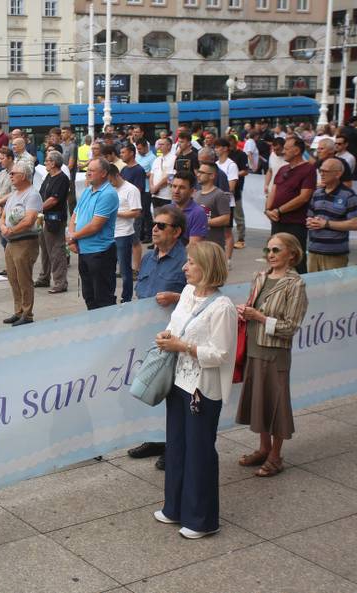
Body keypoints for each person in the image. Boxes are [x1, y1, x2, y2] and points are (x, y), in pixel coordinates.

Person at [153, 241, 237, 539]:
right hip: (177, 382)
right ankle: (174, 507)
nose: (184, 267)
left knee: (199, 451)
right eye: (186, 261)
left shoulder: (223, 307)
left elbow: (223, 353)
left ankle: (202, 519)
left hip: (202, 388)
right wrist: (168, 335)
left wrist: (183, 346)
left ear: (208, 267)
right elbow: (177, 325)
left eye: (191, 262)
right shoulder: (187, 293)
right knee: (176, 445)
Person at [235, 233, 308, 477]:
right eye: (268, 250)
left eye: (276, 250)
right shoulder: (260, 277)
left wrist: (260, 318)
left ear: (292, 254)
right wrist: (245, 312)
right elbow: (252, 308)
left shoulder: (295, 284)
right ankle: (264, 448)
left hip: (275, 353)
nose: (271, 255)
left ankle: (276, 456)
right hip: (254, 348)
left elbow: (291, 327)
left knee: (275, 405)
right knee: (259, 401)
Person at [131, 204, 189, 469]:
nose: (154, 229)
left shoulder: (188, 260)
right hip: (147, 335)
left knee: (174, 393)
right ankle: (155, 438)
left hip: (175, 339)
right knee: (151, 387)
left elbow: (204, 296)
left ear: (176, 232)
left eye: (161, 225)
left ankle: (174, 446)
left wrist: (176, 297)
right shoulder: (148, 257)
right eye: (154, 224)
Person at [68, 158, 119, 310]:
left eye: (92, 170)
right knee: (89, 295)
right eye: (87, 169)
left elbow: (95, 226)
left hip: (100, 253)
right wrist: (72, 238)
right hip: (84, 251)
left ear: (103, 173)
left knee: (103, 298)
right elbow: (74, 216)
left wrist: (73, 236)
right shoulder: (87, 191)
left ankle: (107, 330)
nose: (87, 173)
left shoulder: (108, 194)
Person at [0, 161, 42, 325]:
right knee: (13, 278)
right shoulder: (14, 194)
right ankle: (18, 310)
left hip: (25, 241)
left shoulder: (32, 195)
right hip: (11, 241)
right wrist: (3, 226)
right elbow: (3, 216)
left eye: (13, 174)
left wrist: (11, 230)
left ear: (23, 176)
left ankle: (27, 313)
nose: (10, 176)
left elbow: (30, 219)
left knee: (24, 278)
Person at [267, 136, 317, 274]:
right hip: (277, 221)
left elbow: (304, 197)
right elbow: (273, 191)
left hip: (295, 223)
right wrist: (268, 210)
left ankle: (301, 288)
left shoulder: (308, 169)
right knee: (275, 255)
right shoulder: (283, 169)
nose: (283, 152)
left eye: (287, 149)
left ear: (296, 150)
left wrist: (279, 210)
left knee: (297, 258)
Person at [305, 158, 357, 272]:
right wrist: (310, 221)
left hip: (335, 254)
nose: (322, 174)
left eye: (326, 171)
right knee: (314, 288)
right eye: (321, 170)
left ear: (338, 173)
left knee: (333, 289)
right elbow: (309, 217)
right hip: (313, 251)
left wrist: (326, 224)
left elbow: (354, 224)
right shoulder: (317, 193)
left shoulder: (348, 195)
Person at [33, 150, 70, 294]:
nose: (45, 163)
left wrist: (37, 208)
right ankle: (44, 277)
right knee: (45, 250)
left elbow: (54, 199)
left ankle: (60, 282)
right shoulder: (49, 176)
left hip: (55, 219)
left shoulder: (62, 179)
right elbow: (42, 194)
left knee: (56, 250)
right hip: (44, 218)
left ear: (54, 163)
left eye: (47, 160)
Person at [110, 166, 142, 303]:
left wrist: (116, 213)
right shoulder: (110, 189)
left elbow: (136, 212)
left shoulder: (131, 190)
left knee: (124, 270)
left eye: (111, 180)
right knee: (110, 268)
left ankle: (126, 297)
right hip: (109, 233)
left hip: (124, 233)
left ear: (117, 175)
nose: (110, 183)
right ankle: (110, 296)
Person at [195, 162, 232, 250]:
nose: (198, 175)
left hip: (213, 245)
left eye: (202, 172)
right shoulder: (196, 194)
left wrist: (203, 222)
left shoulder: (219, 195)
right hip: (198, 243)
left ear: (212, 176)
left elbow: (226, 218)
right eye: (198, 172)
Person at [170, 171, 208, 245]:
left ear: (192, 191)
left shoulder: (198, 213)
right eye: (174, 186)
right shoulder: (166, 209)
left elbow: (193, 247)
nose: (176, 191)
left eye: (182, 187)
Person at [150, 137, 175, 208]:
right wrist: (152, 187)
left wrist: (156, 187)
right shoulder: (157, 159)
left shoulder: (174, 158)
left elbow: (170, 176)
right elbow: (152, 174)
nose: (159, 146)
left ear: (169, 146)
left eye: (162, 144)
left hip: (166, 195)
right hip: (155, 194)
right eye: (159, 144)